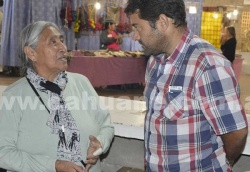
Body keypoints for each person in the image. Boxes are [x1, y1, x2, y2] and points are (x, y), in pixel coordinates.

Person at [125, 0, 248, 171]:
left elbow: (236, 133)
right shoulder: (155, 61)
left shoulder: (207, 65)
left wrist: (223, 162)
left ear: (162, 22)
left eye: (138, 27)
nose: (135, 36)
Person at [0, 21, 114, 172]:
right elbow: (3, 153)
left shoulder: (81, 83)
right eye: (53, 42)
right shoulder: (14, 95)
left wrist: (100, 144)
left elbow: (106, 125)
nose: (63, 47)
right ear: (31, 53)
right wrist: (53, 165)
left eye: (61, 40)